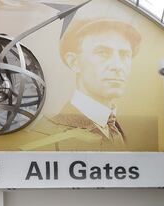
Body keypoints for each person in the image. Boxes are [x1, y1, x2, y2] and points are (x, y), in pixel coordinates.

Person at [49, 11, 142, 149]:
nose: (117, 66)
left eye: (125, 55)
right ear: (74, 62)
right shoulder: (49, 133)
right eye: (102, 53)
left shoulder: (125, 132)